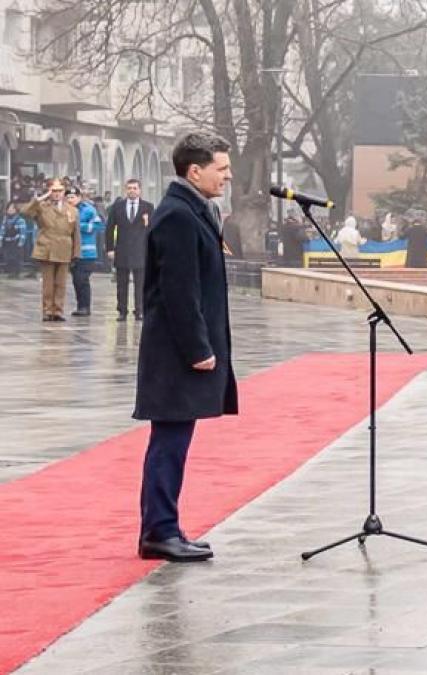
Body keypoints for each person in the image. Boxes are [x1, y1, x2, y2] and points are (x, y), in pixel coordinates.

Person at [134, 131, 238, 563]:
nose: (228, 176)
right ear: (194, 170)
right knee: (169, 442)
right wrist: (198, 348)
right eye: (222, 168)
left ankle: (166, 526)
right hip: (175, 354)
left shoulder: (196, 209)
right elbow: (178, 291)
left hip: (181, 351)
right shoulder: (178, 215)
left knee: (174, 440)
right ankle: (159, 530)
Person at [23, 178, 79, 322]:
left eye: (59, 191)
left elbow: (76, 233)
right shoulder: (42, 206)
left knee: (61, 283)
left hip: (64, 248)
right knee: (48, 284)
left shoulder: (72, 210)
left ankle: (58, 311)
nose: (57, 194)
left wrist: (76, 252)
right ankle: (47, 311)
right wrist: (40, 198)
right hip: (47, 247)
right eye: (53, 191)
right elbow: (25, 212)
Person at [106, 178, 154, 321]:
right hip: (122, 249)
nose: (132, 191)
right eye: (129, 188)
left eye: (135, 188)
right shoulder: (117, 207)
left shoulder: (148, 207)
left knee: (141, 283)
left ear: (140, 190)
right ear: (125, 190)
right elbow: (109, 228)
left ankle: (139, 310)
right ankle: (122, 310)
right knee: (122, 283)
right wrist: (109, 248)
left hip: (141, 250)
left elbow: (154, 229)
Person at [67, 187, 104, 317]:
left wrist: (78, 225)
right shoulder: (65, 210)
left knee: (82, 279)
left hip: (87, 253)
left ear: (79, 197)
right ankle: (80, 306)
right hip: (71, 253)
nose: (70, 200)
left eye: (73, 197)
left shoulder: (88, 210)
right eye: (68, 198)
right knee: (76, 280)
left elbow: (98, 226)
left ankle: (85, 306)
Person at [2, 202, 27, 278]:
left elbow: (23, 233)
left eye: (12, 208)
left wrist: (21, 242)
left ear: (16, 210)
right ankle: (10, 272)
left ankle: (16, 273)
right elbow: (2, 230)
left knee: (16, 258)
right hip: (7, 242)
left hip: (16, 242)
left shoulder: (20, 220)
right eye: (9, 208)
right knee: (8, 257)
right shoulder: (5, 220)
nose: (10, 210)